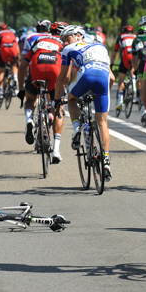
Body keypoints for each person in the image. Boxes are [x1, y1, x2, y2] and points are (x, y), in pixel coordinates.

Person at [54, 25, 115, 180]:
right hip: (103, 78)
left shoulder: (69, 49)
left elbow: (63, 78)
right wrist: (101, 93)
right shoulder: (100, 47)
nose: (65, 44)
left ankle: (76, 128)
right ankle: (106, 161)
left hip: (86, 74)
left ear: (78, 36)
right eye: (63, 42)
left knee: (72, 99)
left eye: (67, 39)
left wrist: (57, 99)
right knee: (103, 122)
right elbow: (112, 78)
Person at [17, 21, 66, 163]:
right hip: (55, 71)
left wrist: (21, 90)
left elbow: (23, 65)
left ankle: (29, 119)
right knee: (58, 108)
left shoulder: (38, 39)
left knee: (31, 100)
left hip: (37, 68)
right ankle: (56, 150)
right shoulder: (64, 43)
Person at [110, 25, 136, 112]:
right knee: (133, 69)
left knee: (121, 79)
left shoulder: (121, 37)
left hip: (125, 58)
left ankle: (120, 99)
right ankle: (133, 81)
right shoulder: (135, 36)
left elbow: (114, 53)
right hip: (135, 57)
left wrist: (111, 64)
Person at [0, 24, 20, 105]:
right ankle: (15, 77)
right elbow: (17, 46)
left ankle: (0, 93)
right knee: (14, 65)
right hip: (13, 51)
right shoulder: (12, 33)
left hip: (3, 52)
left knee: (1, 71)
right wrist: (17, 57)